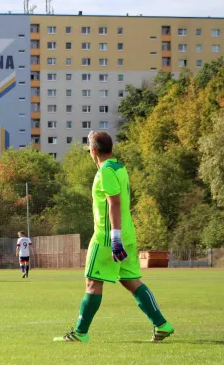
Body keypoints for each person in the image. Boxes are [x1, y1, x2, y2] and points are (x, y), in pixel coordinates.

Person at [54, 131, 174, 343]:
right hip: (126, 234)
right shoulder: (119, 167)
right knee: (131, 281)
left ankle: (81, 333)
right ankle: (162, 324)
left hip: (108, 238)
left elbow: (114, 203)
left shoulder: (105, 172)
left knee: (92, 282)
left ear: (93, 151)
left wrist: (115, 238)